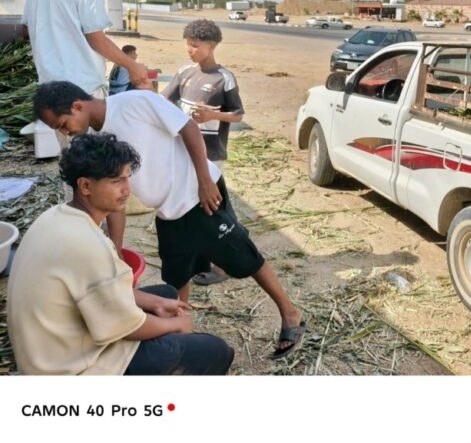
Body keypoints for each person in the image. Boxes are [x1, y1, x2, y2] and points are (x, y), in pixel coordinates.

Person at [33, 81, 306, 360]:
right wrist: (115, 252)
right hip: (167, 211)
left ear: (77, 106)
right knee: (177, 275)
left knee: (244, 256)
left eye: (63, 124)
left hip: (198, 197)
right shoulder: (96, 140)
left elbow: (187, 127)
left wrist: (203, 180)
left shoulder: (135, 103)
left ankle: (290, 313)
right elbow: (114, 202)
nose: (64, 132)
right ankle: (180, 333)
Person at [7, 133, 234, 375]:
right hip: (68, 369)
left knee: (165, 293)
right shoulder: (87, 244)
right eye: (116, 181)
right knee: (215, 350)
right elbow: (125, 326)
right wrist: (176, 324)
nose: (128, 189)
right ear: (85, 186)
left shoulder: (58, 216)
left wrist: (156, 303)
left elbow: (101, 293)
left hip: (50, 347)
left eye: (128, 178)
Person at [162, 19, 243, 286]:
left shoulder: (224, 78)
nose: (189, 49)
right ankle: (199, 261)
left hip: (212, 155)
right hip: (183, 152)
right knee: (191, 206)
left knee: (213, 208)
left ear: (211, 46)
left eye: (195, 45)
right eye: (187, 44)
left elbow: (238, 114)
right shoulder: (185, 73)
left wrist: (211, 114)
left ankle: (222, 266)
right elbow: (164, 101)